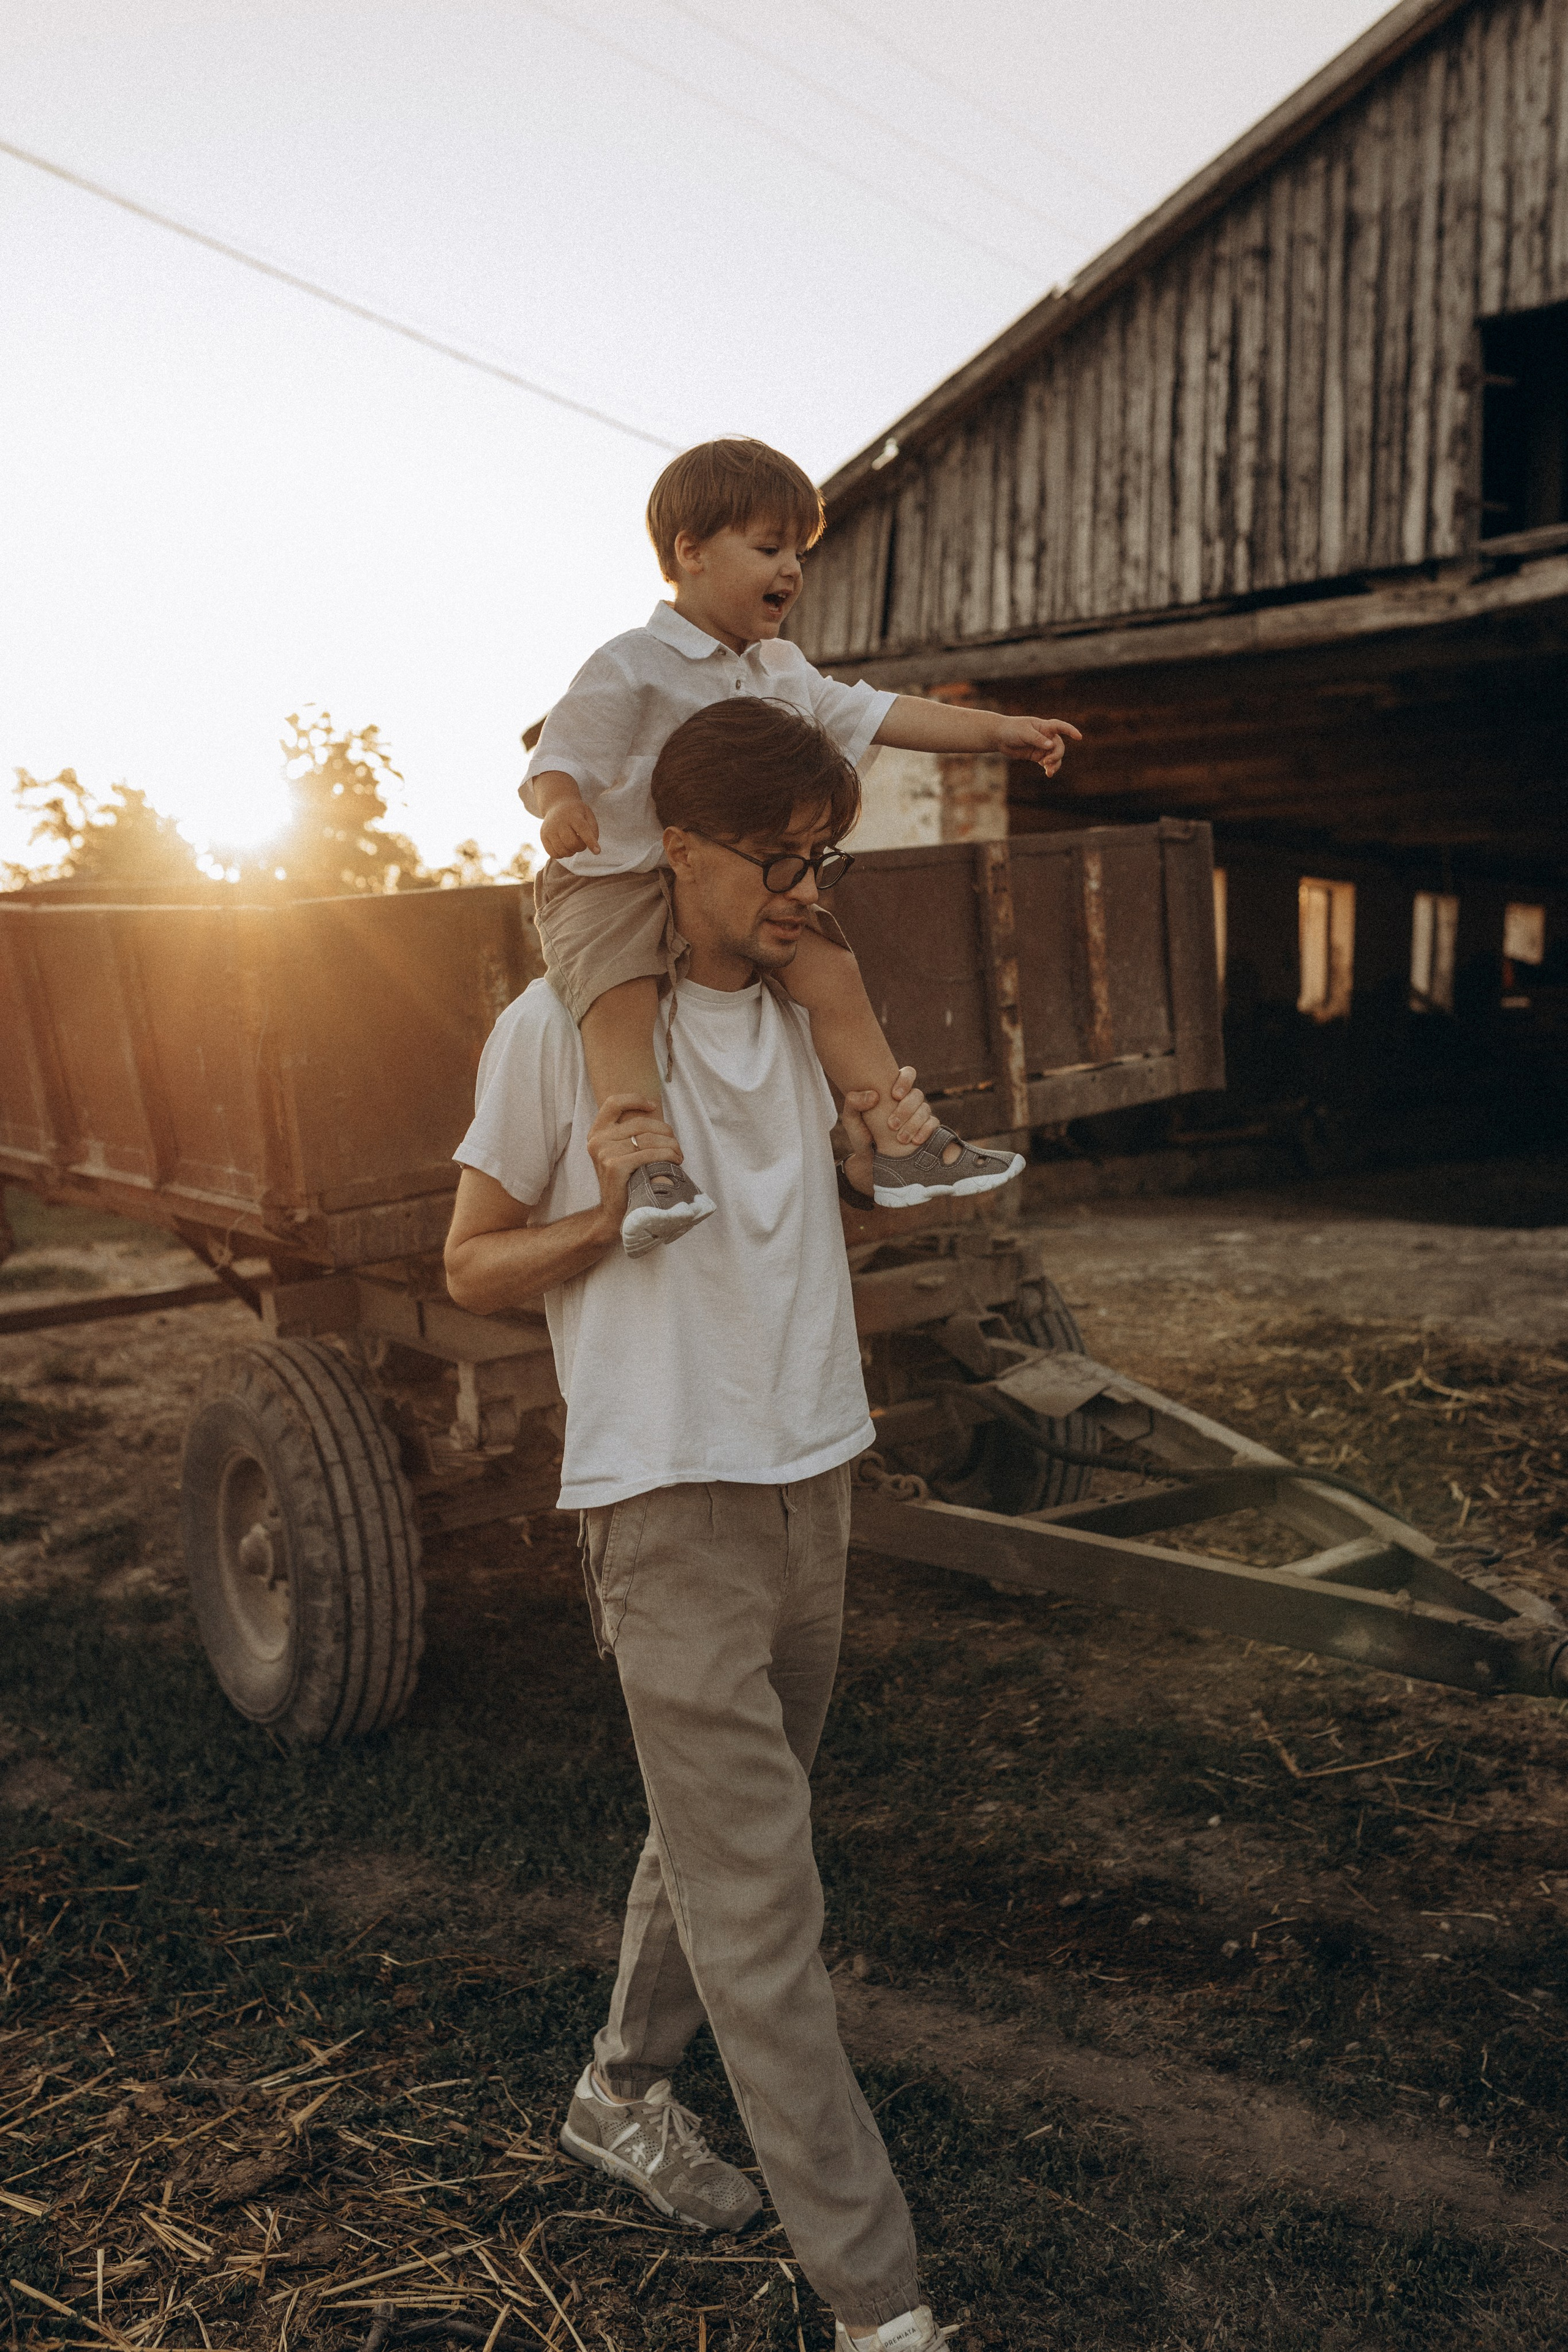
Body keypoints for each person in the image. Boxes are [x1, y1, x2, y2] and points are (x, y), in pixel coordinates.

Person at [447, 700, 958, 2351]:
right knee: (764, 1904)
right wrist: (608, 1223)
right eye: (780, 858)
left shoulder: (815, 1009)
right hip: (668, 1505)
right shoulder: (562, 1030)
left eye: (829, 855)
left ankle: (616, 2095)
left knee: (724, 1832)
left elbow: (840, 1205)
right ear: (678, 849)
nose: (810, 887)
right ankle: (879, 2304)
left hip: (818, 1478)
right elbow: (466, 1266)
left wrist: (900, 1140)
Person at [521, 434, 1079, 1254]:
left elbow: (881, 712)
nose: (792, 569)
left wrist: (998, 731)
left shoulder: (781, 672)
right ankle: (645, 1170)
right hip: (620, 879)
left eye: (800, 552)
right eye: (769, 547)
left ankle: (898, 1140)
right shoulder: (633, 663)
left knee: (835, 971)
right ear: (692, 552)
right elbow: (559, 753)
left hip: (740, 887)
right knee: (617, 998)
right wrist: (561, 802)